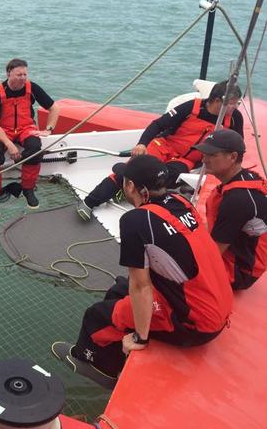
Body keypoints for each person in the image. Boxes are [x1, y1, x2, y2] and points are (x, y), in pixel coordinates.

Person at [52, 155, 232, 389]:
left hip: (194, 323)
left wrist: (140, 337)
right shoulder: (181, 202)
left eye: (124, 180)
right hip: (216, 303)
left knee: (97, 315)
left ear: (130, 186)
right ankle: (115, 349)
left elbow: (141, 286)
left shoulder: (135, 221)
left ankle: (92, 363)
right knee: (118, 288)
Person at [77, 80, 244, 221]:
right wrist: (142, 144)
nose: (235, 107)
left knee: (163, 178)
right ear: (216, 100)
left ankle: (137, 197)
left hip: (187, 159)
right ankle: (89, 202)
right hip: (164, 145)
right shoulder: (192, 107)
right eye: (232, 103)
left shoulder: (234, 118)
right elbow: (158, 124)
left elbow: (238, 145)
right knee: (130, 171)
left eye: (237, 102)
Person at [0, 58, 60, 218]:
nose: (23, 78)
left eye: (25, 74)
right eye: (19, 74)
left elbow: (54, 108)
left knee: (34, 149)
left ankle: (28, 189)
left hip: (26, 128)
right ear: (9, 73)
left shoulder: (32, 88)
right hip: (2, 129)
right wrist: (10, 145)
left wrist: (49, 129)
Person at [193, 130, 266, 290]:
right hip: (237, 252)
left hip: (239, 272)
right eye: (204, 154)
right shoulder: (244, 178)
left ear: (233, 157)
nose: (204, 160)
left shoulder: (238, 200)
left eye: (212, 155)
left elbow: (213, 254)